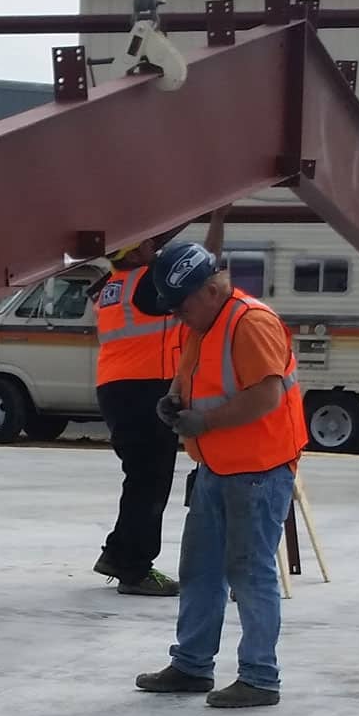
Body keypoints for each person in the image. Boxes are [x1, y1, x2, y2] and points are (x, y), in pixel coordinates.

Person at [129, 241, 308, 709]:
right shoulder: (204, 326)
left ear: (211, 289)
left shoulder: (250, 324)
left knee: (249, 573)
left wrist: (205, 422)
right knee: (201, 570)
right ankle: (191, 664)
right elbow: (191, 379)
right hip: (217, 467)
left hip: (259, 471)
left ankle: (260, 678)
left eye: (181, 305)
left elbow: (266, 397)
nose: (177, 316)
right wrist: (173, 401)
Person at [90, 207, 229, 597]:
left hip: (115, 389)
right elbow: (205, 273)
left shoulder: (110, 285)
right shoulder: (147, 283)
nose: (155, 244)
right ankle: (134, 568)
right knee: (150, 481)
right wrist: (217, 220)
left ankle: (119, 552)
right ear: (133, 253)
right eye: (149, 241)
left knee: (140, 477)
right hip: (144, 388)